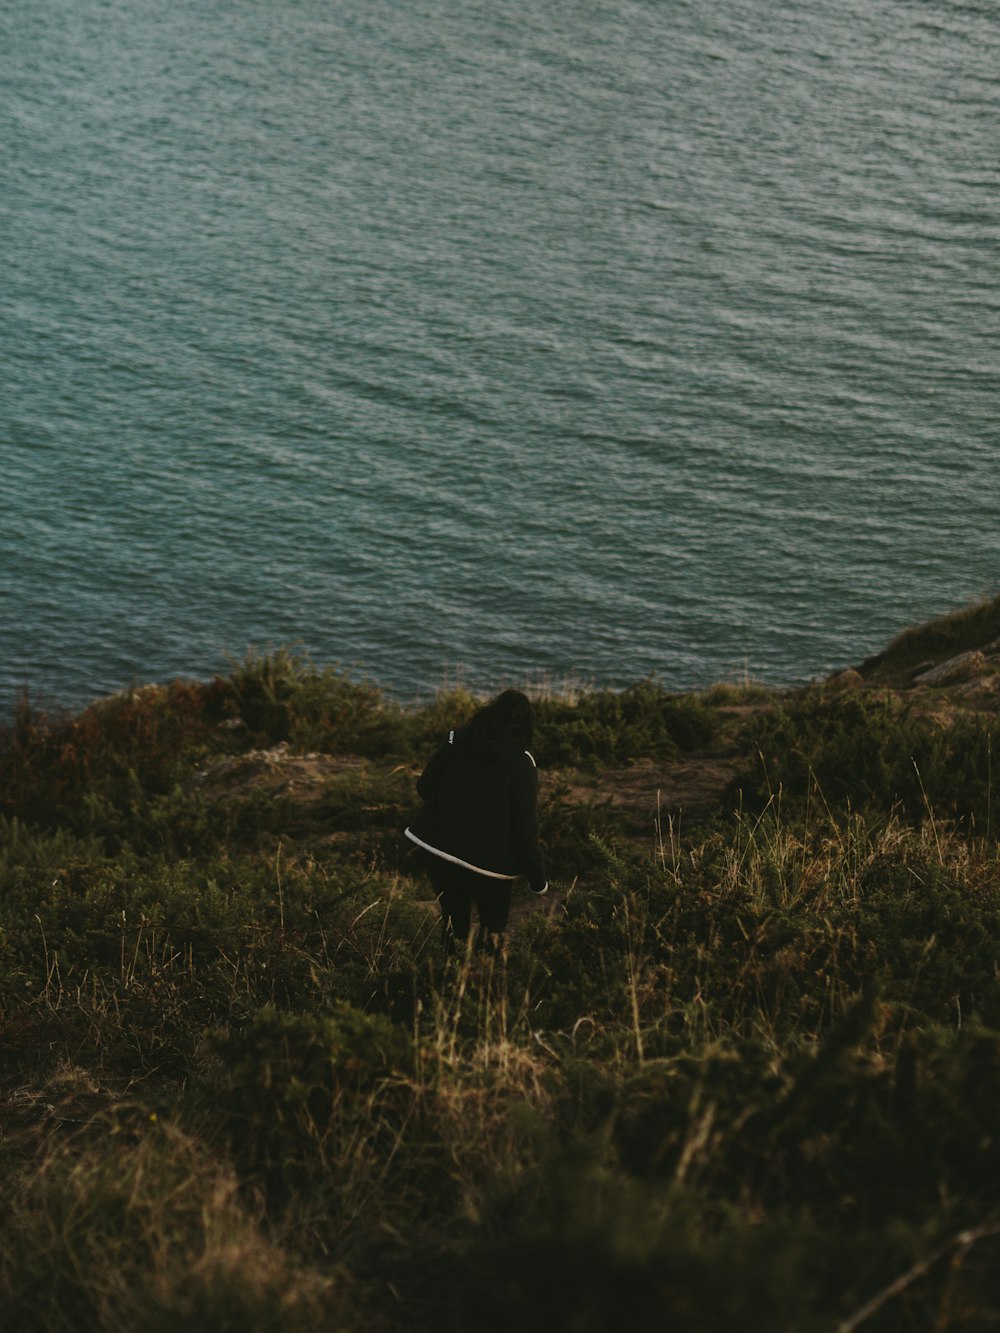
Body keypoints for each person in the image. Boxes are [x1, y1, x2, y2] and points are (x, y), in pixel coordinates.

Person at [405, 689, 548, 955]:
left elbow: (425, 788)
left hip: (440, 850)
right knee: (492, 927)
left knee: (452, 921)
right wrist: (538, 879)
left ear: (490, 712)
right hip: (490, 868)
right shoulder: (521, 764)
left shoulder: (456, 738)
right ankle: (484, 985)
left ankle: (446, 977)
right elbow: (525, 828)